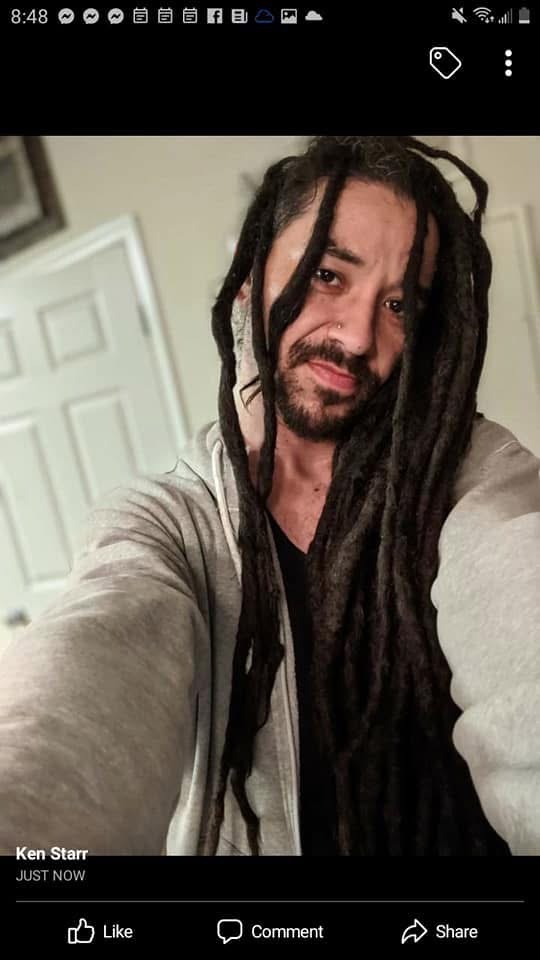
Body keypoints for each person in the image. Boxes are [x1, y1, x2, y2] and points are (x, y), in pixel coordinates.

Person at [0, 136, 538, 857]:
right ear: (250, 280)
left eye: (398, 304)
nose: (358, 335)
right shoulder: (168, 526)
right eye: (327, 274)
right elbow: (83, 688)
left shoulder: (471, 473)